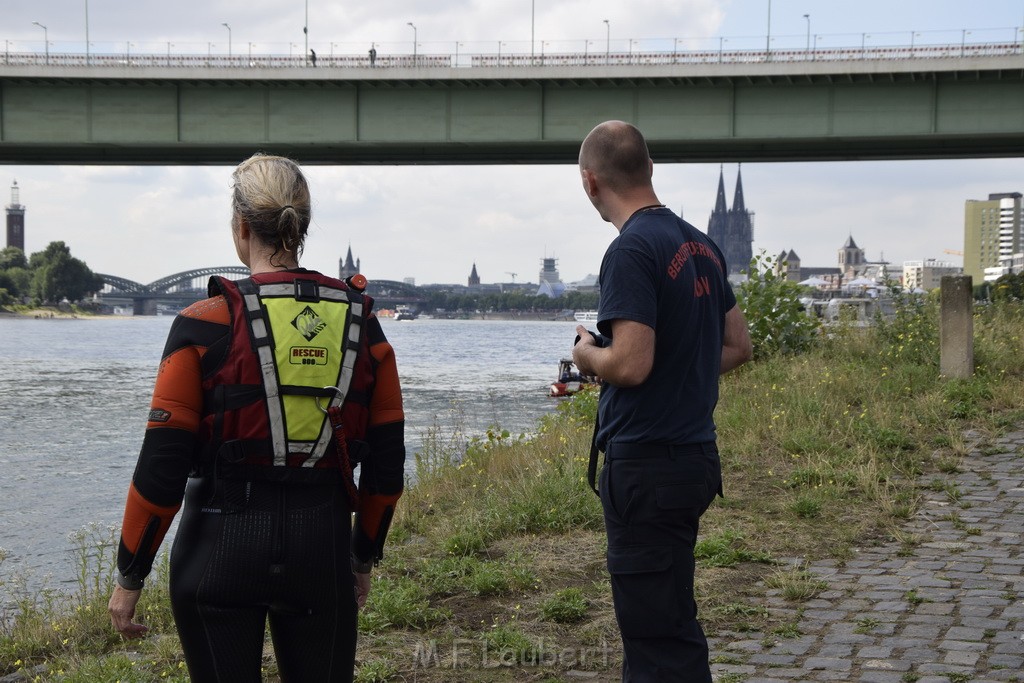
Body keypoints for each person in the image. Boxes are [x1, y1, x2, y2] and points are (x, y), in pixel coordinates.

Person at [108, 154, 406, 682]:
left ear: (241, 227)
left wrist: (131, 574)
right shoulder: (365, 325)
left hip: (216, 554)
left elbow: (161, 467)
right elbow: (386, 468)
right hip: (322, 552)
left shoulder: (202, 323)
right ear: (302, 228)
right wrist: (362, 557)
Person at [572, 121, 752, 682]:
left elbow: (628, 363)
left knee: (654, 641)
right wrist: (671, 360)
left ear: (590, 183)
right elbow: (738, 346)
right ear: (649, 169)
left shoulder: (630, 251)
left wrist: (586, 355)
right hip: (693, 459)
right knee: (670, 620)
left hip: (646, 466)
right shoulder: (701, 245)